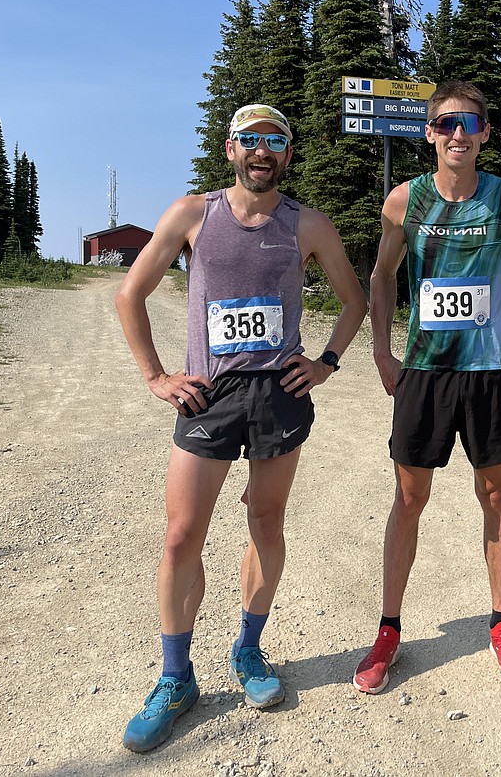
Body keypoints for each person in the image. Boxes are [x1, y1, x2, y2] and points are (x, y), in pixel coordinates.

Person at [115, 104, 367, 752]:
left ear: (287, 154)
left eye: (274, 141)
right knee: (179, 537)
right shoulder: (193, 215)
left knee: (265, 522)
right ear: (230, 149)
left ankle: (249, 651)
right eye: (250, 139)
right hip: (209, 394)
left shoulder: (306, 223)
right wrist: (155, 375)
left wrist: (326, 361)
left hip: (278, 395)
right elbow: (130, 292)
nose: (261, 150)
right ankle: (176, 678)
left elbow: (354, 297)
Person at [352, 80, 501, 695]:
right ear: (429, 132)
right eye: (446, 123)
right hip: (423, 371)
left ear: (485, 134)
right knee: (409, 497)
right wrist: (382, 349)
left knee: (495, 497)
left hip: (489, 373)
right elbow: (382, 276)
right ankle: (389, 629)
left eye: (469, 124)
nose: (457, 134)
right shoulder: (404, 200)